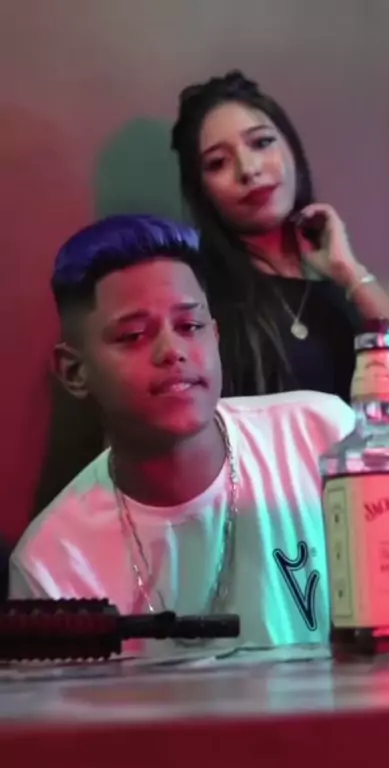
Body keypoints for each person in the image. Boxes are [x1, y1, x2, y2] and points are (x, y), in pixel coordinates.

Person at [9, 214, 358, 653]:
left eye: (190, 327)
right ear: (75, 372)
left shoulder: (325, 437)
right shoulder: (53, 563)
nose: (172, 351)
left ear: (214, 336)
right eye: (134, 335)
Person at [171, 70, 389, 402]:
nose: (248, 169)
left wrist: (350, 273)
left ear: (292, 150)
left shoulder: (361, 288)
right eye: (218, 162)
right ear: (202, 191)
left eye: (261, 142)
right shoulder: (199, 302)